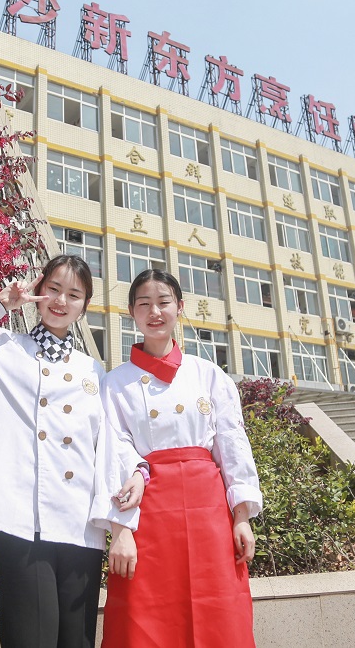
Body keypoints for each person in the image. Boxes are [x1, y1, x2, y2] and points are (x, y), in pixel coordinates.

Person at [0, 255, 143, 648]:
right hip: (20, 518)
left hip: (80, 524)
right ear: (38, 291)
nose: (61, 301)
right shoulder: (0, 349)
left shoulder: (93, 371)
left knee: (76, 641)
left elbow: (110, 443)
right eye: (53, 289)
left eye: (73, 294)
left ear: (84, 306)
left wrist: (138, 474)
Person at [102, 268, 263, 647]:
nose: (155, 312)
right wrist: (120, 529)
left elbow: (232, 444)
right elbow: (114, 451)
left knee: (219, 609)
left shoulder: (208, 375)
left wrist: (241, 517)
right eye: (144, 304)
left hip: (210, 513)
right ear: (131, 312)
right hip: (148, 512)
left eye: (164, 302)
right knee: (145, 614)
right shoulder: (115, 383)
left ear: (180, 307)